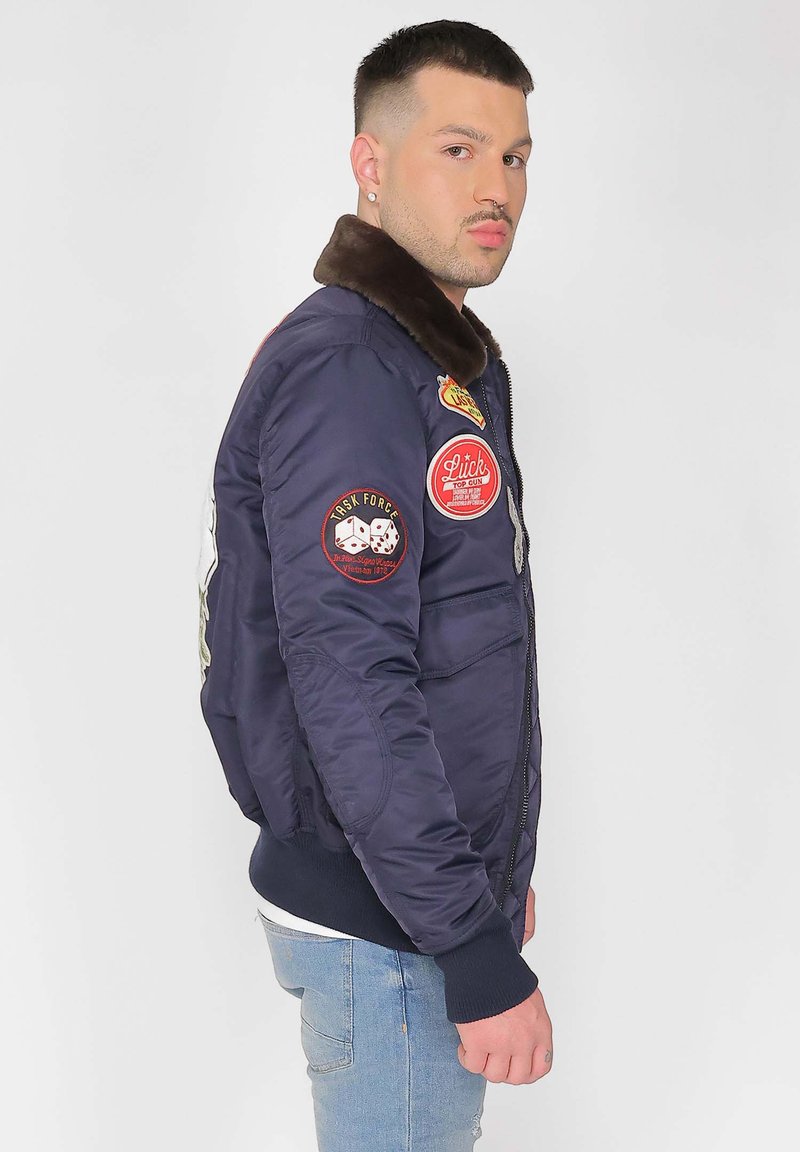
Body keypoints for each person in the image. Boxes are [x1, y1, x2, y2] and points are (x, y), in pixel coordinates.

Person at [197, 18, 553, 1151]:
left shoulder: (428, 358)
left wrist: (489, 878)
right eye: (458, 149)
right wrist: (467, 938)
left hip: (411, 902)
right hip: (387, 928)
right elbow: (353, 682)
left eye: (514, 155)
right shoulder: (353, 366)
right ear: (370, 162)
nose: (496, 187)